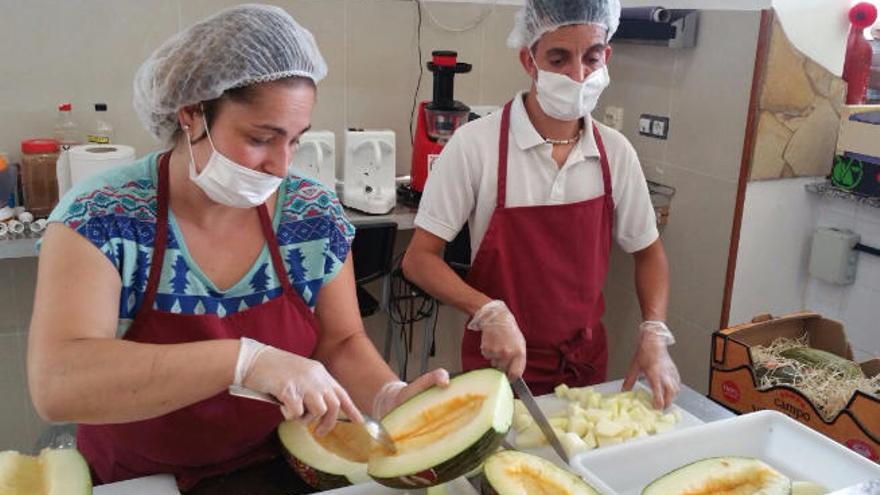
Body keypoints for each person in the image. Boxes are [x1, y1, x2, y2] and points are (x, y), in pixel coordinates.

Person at [27, 4, 446, 492]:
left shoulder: (311, 215)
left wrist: (386, 397)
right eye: (261, 138)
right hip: (140, 477)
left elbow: (342, 341)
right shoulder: (103, 216)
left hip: (280, 465)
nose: (282, 165)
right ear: (190, 112)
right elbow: (58, 384)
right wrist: (245, 361)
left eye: (295, 140)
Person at [403, 0, 680, 408]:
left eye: (591, 57)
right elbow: (419, 259)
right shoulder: (476, 146)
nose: (578, 74)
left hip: (583, 368)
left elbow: (649, 254)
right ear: (528, 60)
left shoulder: (614, 153)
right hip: (500, 367)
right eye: (558, 57)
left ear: (608, 55)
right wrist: (488, 310)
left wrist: (654, 330)